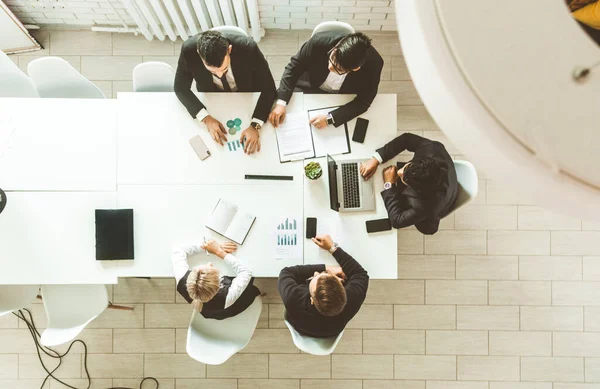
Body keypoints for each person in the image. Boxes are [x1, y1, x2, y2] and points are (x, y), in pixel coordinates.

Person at [174, 30, 276, 154]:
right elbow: (180, 88)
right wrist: (206, 118)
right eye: (212, 71)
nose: (220, 74)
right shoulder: (188, 50)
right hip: (212, 98)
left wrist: (255, 125)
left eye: (224, 68)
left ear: (229, 50)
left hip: (246, 95)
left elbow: (269, 88)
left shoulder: (249, 48)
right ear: (198, 53)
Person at [269, 31, 383, 130]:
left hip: (341, 97)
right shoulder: (318, 42)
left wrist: (330, 119)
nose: (330, 67)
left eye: (338, 69)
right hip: (309, 85)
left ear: (355, 69)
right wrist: (281, 103)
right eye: (332, 58)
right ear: (336, 48)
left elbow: (364, 102)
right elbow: (294, 67)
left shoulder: (375, 64)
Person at [360, 133, 458, 235]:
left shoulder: (425, 206)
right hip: (446, 180)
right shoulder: (432, 148)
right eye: (407, 166)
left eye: (404, 178)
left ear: (417, 190)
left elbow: (397, 221)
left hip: (435, 209)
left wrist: (389, 184)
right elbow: (406, 139)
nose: (399, 172)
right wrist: (376, 159)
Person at [278, 234, 369, 338]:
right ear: (341, 285)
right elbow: (360, 274)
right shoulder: (353, 298)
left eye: (313, 278)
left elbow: (286, 272)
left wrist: (328, 266)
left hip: (301, 327)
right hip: (332, 331)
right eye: (326, 273)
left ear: (311, 299)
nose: (316, 272)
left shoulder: (293, 297)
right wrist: (332, 249)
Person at [171, 239, 261, 319]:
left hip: (208, 309)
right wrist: (219, 252)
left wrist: (209, 247)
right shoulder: (227, 297)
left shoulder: (182, 279)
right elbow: (246, 272)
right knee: (248, 287)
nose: (209, 263)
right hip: (229, 307)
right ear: (219, 284)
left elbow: (178, 250)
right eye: (212, 270)